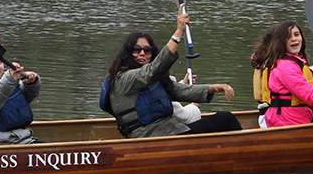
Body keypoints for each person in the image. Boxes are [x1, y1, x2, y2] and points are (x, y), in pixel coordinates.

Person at [101, 8, 242, 137]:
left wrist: (215, 87)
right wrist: (179, 32)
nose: (142, 53)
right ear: (128, 53)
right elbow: (152, 70)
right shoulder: (125, 78)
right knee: (225, 119)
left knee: (223, 117)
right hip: (148, 136)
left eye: (147, 50)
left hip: (168, 130)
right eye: (136, 49)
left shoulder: (152, 79)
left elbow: (177, 90)